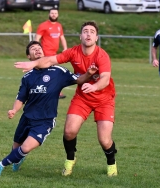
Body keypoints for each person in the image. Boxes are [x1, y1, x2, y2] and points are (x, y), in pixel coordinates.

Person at [14, 21, 118, 177]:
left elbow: (104, 78)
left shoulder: (102, 55)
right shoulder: (73, 52)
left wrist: (94, 87)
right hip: (82, 97)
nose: (88, 34)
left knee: (104, 140)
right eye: (85, 31)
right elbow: (49, 60)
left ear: (96, 37)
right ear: (80, 36)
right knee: (69, 131)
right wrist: (34, 63)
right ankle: (70, 161)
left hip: (104, 99)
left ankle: (111, 164)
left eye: (91, 32)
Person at [0, 41, 97, 179]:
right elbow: (21, 98)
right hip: (27, 117)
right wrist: (14, 110)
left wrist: (88, 74)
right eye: (33, 49)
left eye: (39, 48)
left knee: (26, 147)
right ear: (29, 57)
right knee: (17, 144)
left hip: (45, 120)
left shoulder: (58, 71)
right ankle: (17, 159)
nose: (37, 50)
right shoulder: (28, 77)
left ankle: (0, 164)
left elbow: (78, 80)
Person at [35, 8, 68, 99]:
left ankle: (54, 92)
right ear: (49, 14)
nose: (54, 14)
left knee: (54, 73)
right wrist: (36, 51)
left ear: (57, 15)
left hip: (54, 54)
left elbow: (62, 38)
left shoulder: (59, 26)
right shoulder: (43, 25)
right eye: (52, 13)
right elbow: (36, 39)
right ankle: (46, 92)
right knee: (50, 73)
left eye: (55, 13)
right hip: (45, 54)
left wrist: (65, 48)